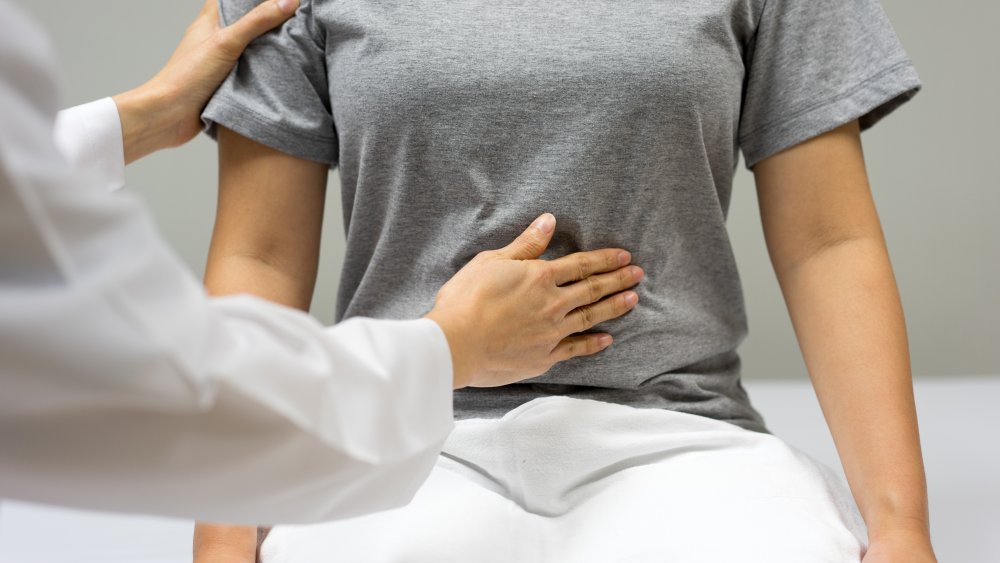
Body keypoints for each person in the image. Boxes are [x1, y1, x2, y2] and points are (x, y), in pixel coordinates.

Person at [195, 0, 937, 561]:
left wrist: (901, 526)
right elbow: (260, 257)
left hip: (681, 434)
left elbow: (827, 243)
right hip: (396, 436)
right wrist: (224, 541)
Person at [0, 0, 644, 525]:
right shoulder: (292, 11)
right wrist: (453, 346)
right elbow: (222, 318)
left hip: (667, 432)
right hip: (415, 454)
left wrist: (140, 118)